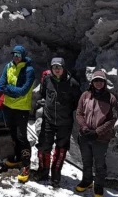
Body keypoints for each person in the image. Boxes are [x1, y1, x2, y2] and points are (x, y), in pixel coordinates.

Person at [30, 57, 81, 187]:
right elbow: (43, 93)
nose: (57, 70)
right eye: (54, 67)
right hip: (48, 119)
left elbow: (77, 102)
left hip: (65, 122)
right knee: (43, 146)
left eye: (59, 67)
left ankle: (56, 174)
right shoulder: (47, 79)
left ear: (64, 68)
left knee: (61, 148)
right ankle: (43, 171)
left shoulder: (73, 83)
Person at [75, 69, 118, 197]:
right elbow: (79, 113)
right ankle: (87, 181)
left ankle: (99, 186)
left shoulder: (111, 98)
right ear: (92, 82)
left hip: (101, 138)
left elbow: (112, 119)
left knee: (99, 164)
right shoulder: (85, 95)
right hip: (85, 135)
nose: (98, 83)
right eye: (96, 81)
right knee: (86, 161)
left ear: (105, 82)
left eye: (101, 81)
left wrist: (97, 132)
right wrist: (84, 127)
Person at [0, 45, 35, 182]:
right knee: (12, 133)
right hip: (8, 106)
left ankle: (26, 165)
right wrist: (13, 91)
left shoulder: (29, 70)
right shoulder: (8, 66)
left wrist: (10, 91)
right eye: (14, 54)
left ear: (23, 56)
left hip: (21, 108)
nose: (16, 57)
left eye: (18, 55)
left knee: (22, 136)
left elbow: (23, 91)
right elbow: (2, 85)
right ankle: (17, 158)